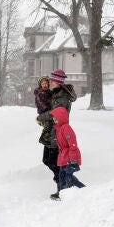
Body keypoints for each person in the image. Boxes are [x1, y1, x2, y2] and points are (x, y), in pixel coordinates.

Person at [36, 69, 77, 198]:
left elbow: (54, 113)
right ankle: (65, 182)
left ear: (58, 82)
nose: (50, 82)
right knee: (47, 159)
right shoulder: (55, 93)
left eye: (52, 80)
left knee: (54, 161)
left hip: (58, 133)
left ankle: (63, 186)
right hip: (51, 131)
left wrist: (40, 117)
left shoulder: (62, 97)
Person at [49, 107, 85, 200]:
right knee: (61, 177)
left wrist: (73, 160)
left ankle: (85, 190)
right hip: (63, 158)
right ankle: (63, 194)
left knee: (69, 178)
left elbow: (73, 145)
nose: (54, 119)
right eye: (53, 117)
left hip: (70, 158)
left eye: (56, 117)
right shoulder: (58, 129)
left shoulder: (66, 128)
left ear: (62, 118)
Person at [34, 76, 53, 146]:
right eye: (43, 84)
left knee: (50, 124)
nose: (44, 85)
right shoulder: (40, 93)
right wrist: (49, 107)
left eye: (46, 83)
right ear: (40, 85)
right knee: (50, 120)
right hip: (43, 112)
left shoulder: (49, 92)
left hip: (48, 111)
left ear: (48, 84)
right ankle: (43, 137)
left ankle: (47, 137)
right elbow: (41, 104)